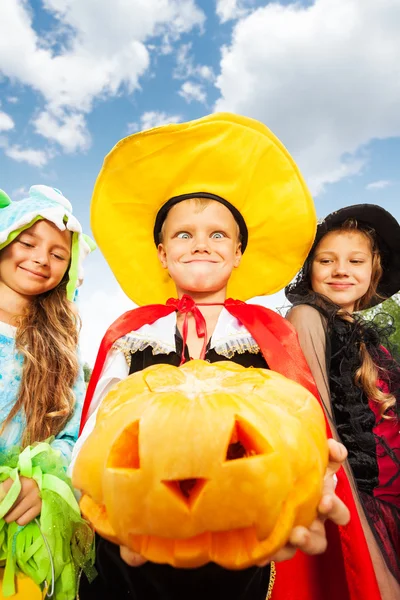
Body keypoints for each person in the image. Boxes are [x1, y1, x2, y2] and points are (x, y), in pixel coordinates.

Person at [73, 113, 369, 600]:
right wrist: (95, 495)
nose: (201, 244)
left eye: (218, 235)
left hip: (240, 538)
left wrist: (308, 480)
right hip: (135, 535)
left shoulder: (268, 332)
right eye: (183, 234)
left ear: (236, 254)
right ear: (163, 254)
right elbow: (100, 429)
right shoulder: (132, 334)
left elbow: (293, 425)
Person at [285, 204, 400, 600]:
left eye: (355, 260)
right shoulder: (307, 317)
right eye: (326, 260)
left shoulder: (369, 339)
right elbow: (316, 418)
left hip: (390, 499)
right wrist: (354, 525)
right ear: (309, 269)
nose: (341, 270)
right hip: (352, 498)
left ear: (373, 271)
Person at [0, 185, 95, 597]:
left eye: (59, 255)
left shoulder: (64, 350)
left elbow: (73, 436)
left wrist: (42, 485)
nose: (41, 258)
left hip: (24, 531)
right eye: (27, 242)